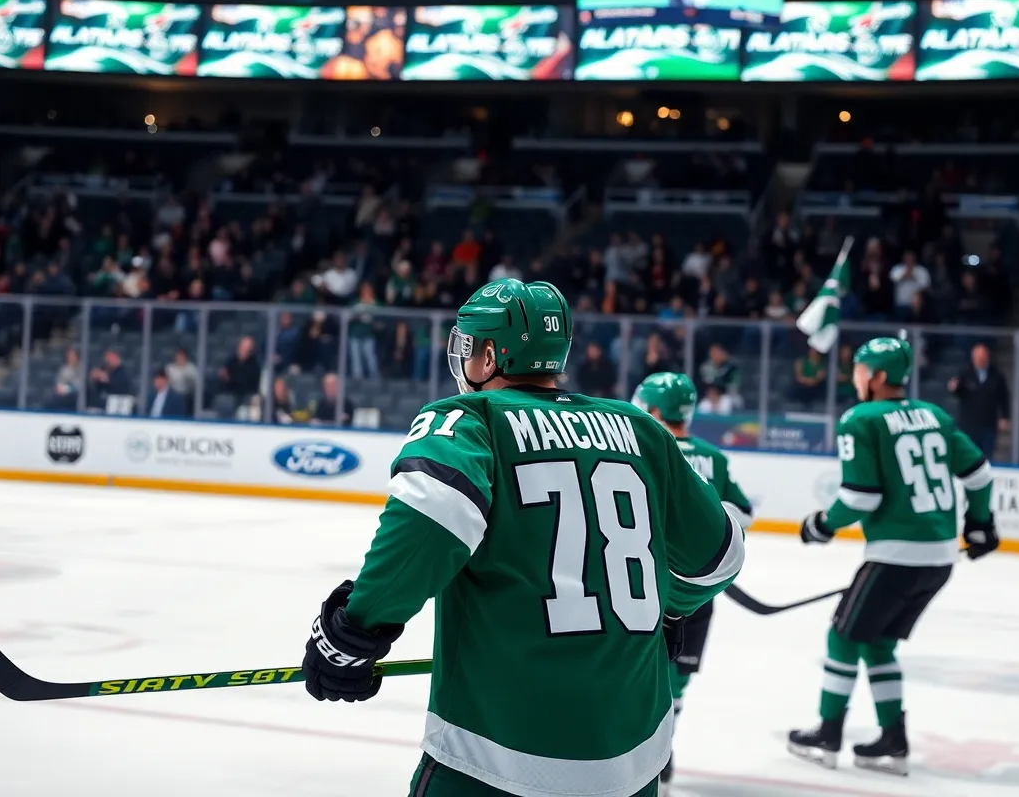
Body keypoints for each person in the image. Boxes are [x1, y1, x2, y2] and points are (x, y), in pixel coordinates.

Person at [300, 278, 746, 797]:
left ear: (489, 356)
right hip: (635, 761)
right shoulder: (639, 429)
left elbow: (432, 518)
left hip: (496, 754)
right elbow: (721, 557)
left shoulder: (470, 421)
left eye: (469, 346)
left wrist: (353, 630)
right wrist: (666, 611)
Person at [787, 338, 999, 776]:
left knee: (843, 638)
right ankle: (893, 740)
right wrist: (980, 524)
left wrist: (821, 524)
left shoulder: (860, 419)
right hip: (939, 559)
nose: (855, 377)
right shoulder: (935, 415)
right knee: (877, 642)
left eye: (861, 370)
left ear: (878, 377)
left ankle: (828, 734)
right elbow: (979, 473)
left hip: (895, 555)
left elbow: (861, 497)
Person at [631, 372, 753, 793]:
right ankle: (662, 751)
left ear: (654, 411)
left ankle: (640, 749)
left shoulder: (636, 447)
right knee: (677, 677)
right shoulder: (712, 458)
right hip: (698, 590)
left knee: (636, 671)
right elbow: (741, 515)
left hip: (637, 586)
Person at [947, 343, 1010, 458]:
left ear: (987, 357)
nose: (980, 360)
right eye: (977, 357)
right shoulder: (965, 373)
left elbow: (1004, 397)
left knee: (987, 453)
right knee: (969, 453)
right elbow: (957, 392)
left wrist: (1004, 416)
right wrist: (954, 388)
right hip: (969, 423)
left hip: (988, 422)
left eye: (982, 357)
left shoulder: (996, 375)